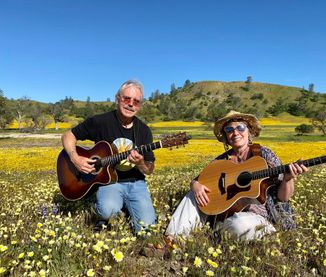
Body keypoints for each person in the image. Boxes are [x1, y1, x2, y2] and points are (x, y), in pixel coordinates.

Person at [165, 110, 308, 241]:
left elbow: (283, 198)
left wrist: (288, 179)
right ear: (226, 137)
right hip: (225, 216)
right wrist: (195, 185)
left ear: (249, 131)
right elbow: (200, 179)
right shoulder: (221, 161)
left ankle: (225, 233)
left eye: (240, 127)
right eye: (229, 130)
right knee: (194, 193)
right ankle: (173, 238)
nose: (235, 133)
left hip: (255, 219)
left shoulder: (264, 155)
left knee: (239, 224)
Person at [61, 79, 157, 233]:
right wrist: (75, 158)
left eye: (136, 101)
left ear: (140, 105)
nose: (131, 104)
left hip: (136, 183)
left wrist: (140, 163)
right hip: (109, 182)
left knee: (148, 230)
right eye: (126, 98)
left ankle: (126, 210)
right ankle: (102, 209)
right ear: (117, 98)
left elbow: (149, 169)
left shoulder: (144, 131)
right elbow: (68, 136)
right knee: (107, 210)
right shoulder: (100, 122)